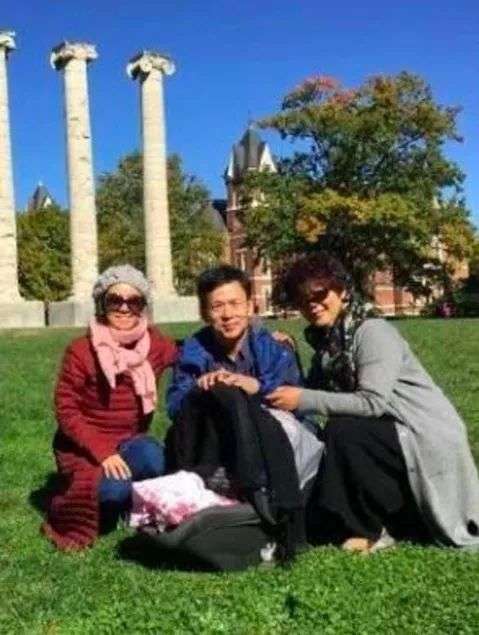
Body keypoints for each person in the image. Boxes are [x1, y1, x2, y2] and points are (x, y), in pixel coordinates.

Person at [267, 252, 479, 553]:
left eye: (319, 294)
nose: (311, 304)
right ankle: (365, 518)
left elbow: (371, 403)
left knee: (345, 433)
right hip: (391, 430)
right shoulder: (332, 342)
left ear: (341, 290)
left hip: (422, 433)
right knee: (339, 433)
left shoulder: (372, 331)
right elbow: (315, 389)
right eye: (301, 300)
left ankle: (371, 528)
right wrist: (289, 353)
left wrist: (302, 399)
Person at [165, 265, 321, 558]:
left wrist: (255, 387)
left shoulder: (274, 348)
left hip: (274, 442)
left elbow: (296, 402)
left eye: (235, 304)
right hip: (216, 444)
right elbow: (174, 407)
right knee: (219, 398)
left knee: (248, 405)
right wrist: (200, 388)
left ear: (250, 306)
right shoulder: (192, 352)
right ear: (205, 313)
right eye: (217, 306)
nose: (227, 314)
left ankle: (269, 503)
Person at [42, 264, 177, 550]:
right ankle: (79, 495)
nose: (124, 308)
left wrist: (260, 335)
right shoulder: (81, 350)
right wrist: (102, 452)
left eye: (134, 301)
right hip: (84, 447)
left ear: (143, 306)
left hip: (130, 441)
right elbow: (67, 410)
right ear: (102, 303)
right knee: (112, 493)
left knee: (156, 460)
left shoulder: (155, 345)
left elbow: (192, 350)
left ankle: (131, 498)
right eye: (115, 300)